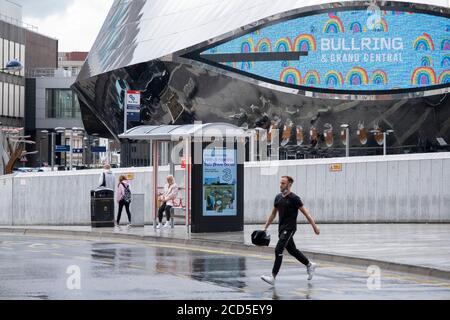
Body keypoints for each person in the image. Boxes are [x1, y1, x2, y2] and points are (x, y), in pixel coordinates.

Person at [261, 176, 320, 286]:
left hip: (290, 228)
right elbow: (273, 214)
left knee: (278, 249)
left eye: (283, 183)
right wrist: (265, 227)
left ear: (289, 185)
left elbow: (306, 213)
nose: (280, 185)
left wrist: (314, 227)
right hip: (281, 229)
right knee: (292, 250)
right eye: (280, 183)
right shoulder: (278, 198)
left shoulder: (295, 199)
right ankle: (309, 265)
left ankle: (273, 277)